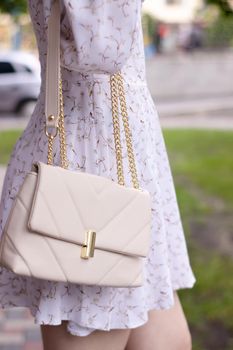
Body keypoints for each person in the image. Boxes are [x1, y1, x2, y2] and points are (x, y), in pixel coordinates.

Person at [0, 1, 195, 349]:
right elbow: (101, 50)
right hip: (91, 156)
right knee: (90, 330)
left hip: (128, 151)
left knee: (168, 339)